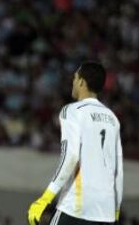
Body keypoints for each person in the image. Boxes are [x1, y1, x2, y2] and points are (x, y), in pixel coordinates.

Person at [28, 61, 123, 225]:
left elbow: (70, 156)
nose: (72, 82)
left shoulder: (72, 111)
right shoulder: (112, 118)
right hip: (106, 210)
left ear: (81, 81)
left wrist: (45, 198)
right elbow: (118, 168)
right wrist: (115, 209)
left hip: (77, 205)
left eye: (74, 78)